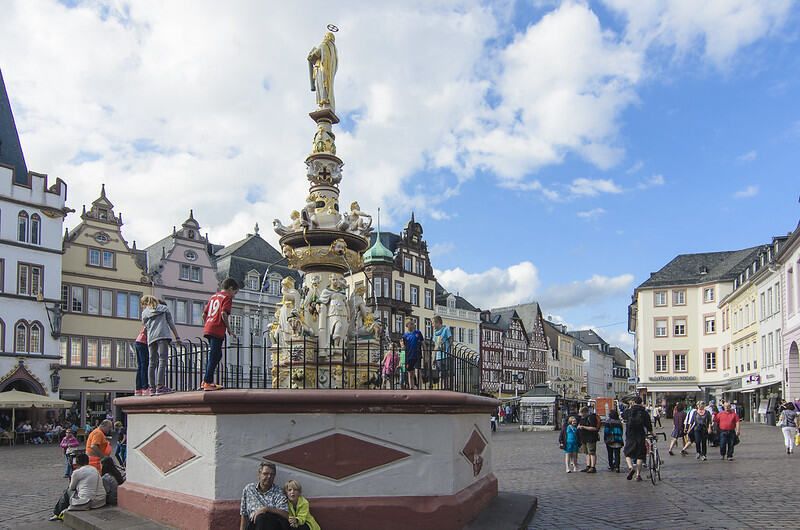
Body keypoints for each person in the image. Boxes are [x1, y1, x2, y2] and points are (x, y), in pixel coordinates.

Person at [202, 278, 240, 391]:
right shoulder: (227, 297)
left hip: (209, 328)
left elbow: (204, 314)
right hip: (217, 329)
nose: (234, 295)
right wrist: (229, 329)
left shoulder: (214, 296)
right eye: (235, 292)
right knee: (214, 355)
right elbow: (224, 313)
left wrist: (207, 324)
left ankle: (207, 380)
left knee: (216, 355)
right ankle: (207, 382)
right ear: (230, 288)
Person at [141, 295, 181, 395]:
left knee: (152, 362)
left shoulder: (145, 312)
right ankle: (160, 386)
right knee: (163, 360)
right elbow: (171, 323)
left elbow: (145, 325)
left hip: (151, 338)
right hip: (163, 335)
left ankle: (152, 388)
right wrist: (177, 337)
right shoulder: (164, 309)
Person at [49, 453, 106, 521]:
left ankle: (57, 513)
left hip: (87, 502)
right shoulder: (94, 469)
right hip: (100, 501)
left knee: (67, 491)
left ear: (77, 462)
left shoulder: (77, 472)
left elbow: (72, 488)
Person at [239, 462, 290, 530]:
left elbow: (286, 514)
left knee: (262, 517)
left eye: (272, 474)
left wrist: (266, 509)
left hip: (273, 525)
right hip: (253, 525)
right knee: (260, 518)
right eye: (265, 474)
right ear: (259, 475)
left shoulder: (279, 491)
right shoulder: (249, 489)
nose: (269, 477)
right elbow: (244, 515)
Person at [623, 396, 653, 482]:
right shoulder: (644, 412)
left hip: (630, 435)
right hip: (640, 435)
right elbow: (648, 425)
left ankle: (630, 467)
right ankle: (638, 475)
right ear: (641, 402)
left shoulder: (628, 411)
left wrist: (629, 407)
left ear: (633, 402)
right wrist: (652, 433)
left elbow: (623, 416)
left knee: (627, 453)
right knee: (640, 455)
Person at [402, 319, 424, 390]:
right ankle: (411, 388)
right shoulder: (405, 336)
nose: (413, 325)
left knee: (418, 372)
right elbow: (404, 347)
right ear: (407, 325)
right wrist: (402, 346)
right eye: (411, 323)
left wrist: (426, 355)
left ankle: (420, 388)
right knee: (410, 373)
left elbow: (423, 344)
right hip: (409, 356)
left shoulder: (418, 333)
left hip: (417, 355)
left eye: (413, 323)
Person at [577, 406, 601, 473]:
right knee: (586, 453)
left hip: (591, 438)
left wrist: (583, 427)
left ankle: (593, 467)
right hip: (583, 438)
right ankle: (588, 466)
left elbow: (594, 428)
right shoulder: (582, 418)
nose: (580, 414)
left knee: (592, 452)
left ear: (585, 412)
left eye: (581, 412)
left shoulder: (591, 417)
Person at [432, 316, 452, 389]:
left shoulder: (446, 329)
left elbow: (450, 340)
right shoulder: (435, 333)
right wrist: (433, 358)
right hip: (438, 356)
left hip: (446, 355)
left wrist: (448, 349)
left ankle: (447, 388)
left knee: (447, 373)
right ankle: (442, 388)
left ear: (438, 322)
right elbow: (435, 346)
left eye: (433, 323)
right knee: (440, 374)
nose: (432, 325)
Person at [134, 326, 149, 396]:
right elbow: (146, 332)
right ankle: (145, 388)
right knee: (144, 365)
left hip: (138, 342)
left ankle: (138, 389)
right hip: (143, 343)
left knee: (140, 366)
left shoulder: (147, 319)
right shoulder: (151, 321)